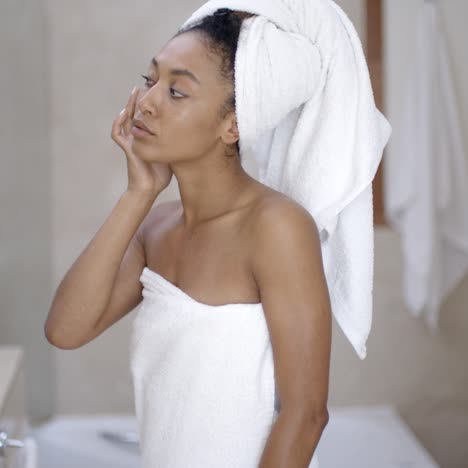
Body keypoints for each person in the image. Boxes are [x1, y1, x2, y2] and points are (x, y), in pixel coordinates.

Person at [45, 9, 331, 467]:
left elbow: (306, 414)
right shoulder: (156, 226)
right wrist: (138, 194)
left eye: (176, 91)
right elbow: (65, 331)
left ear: (233, 125)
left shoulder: (276, 227)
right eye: (150, 79)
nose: (147, 101)